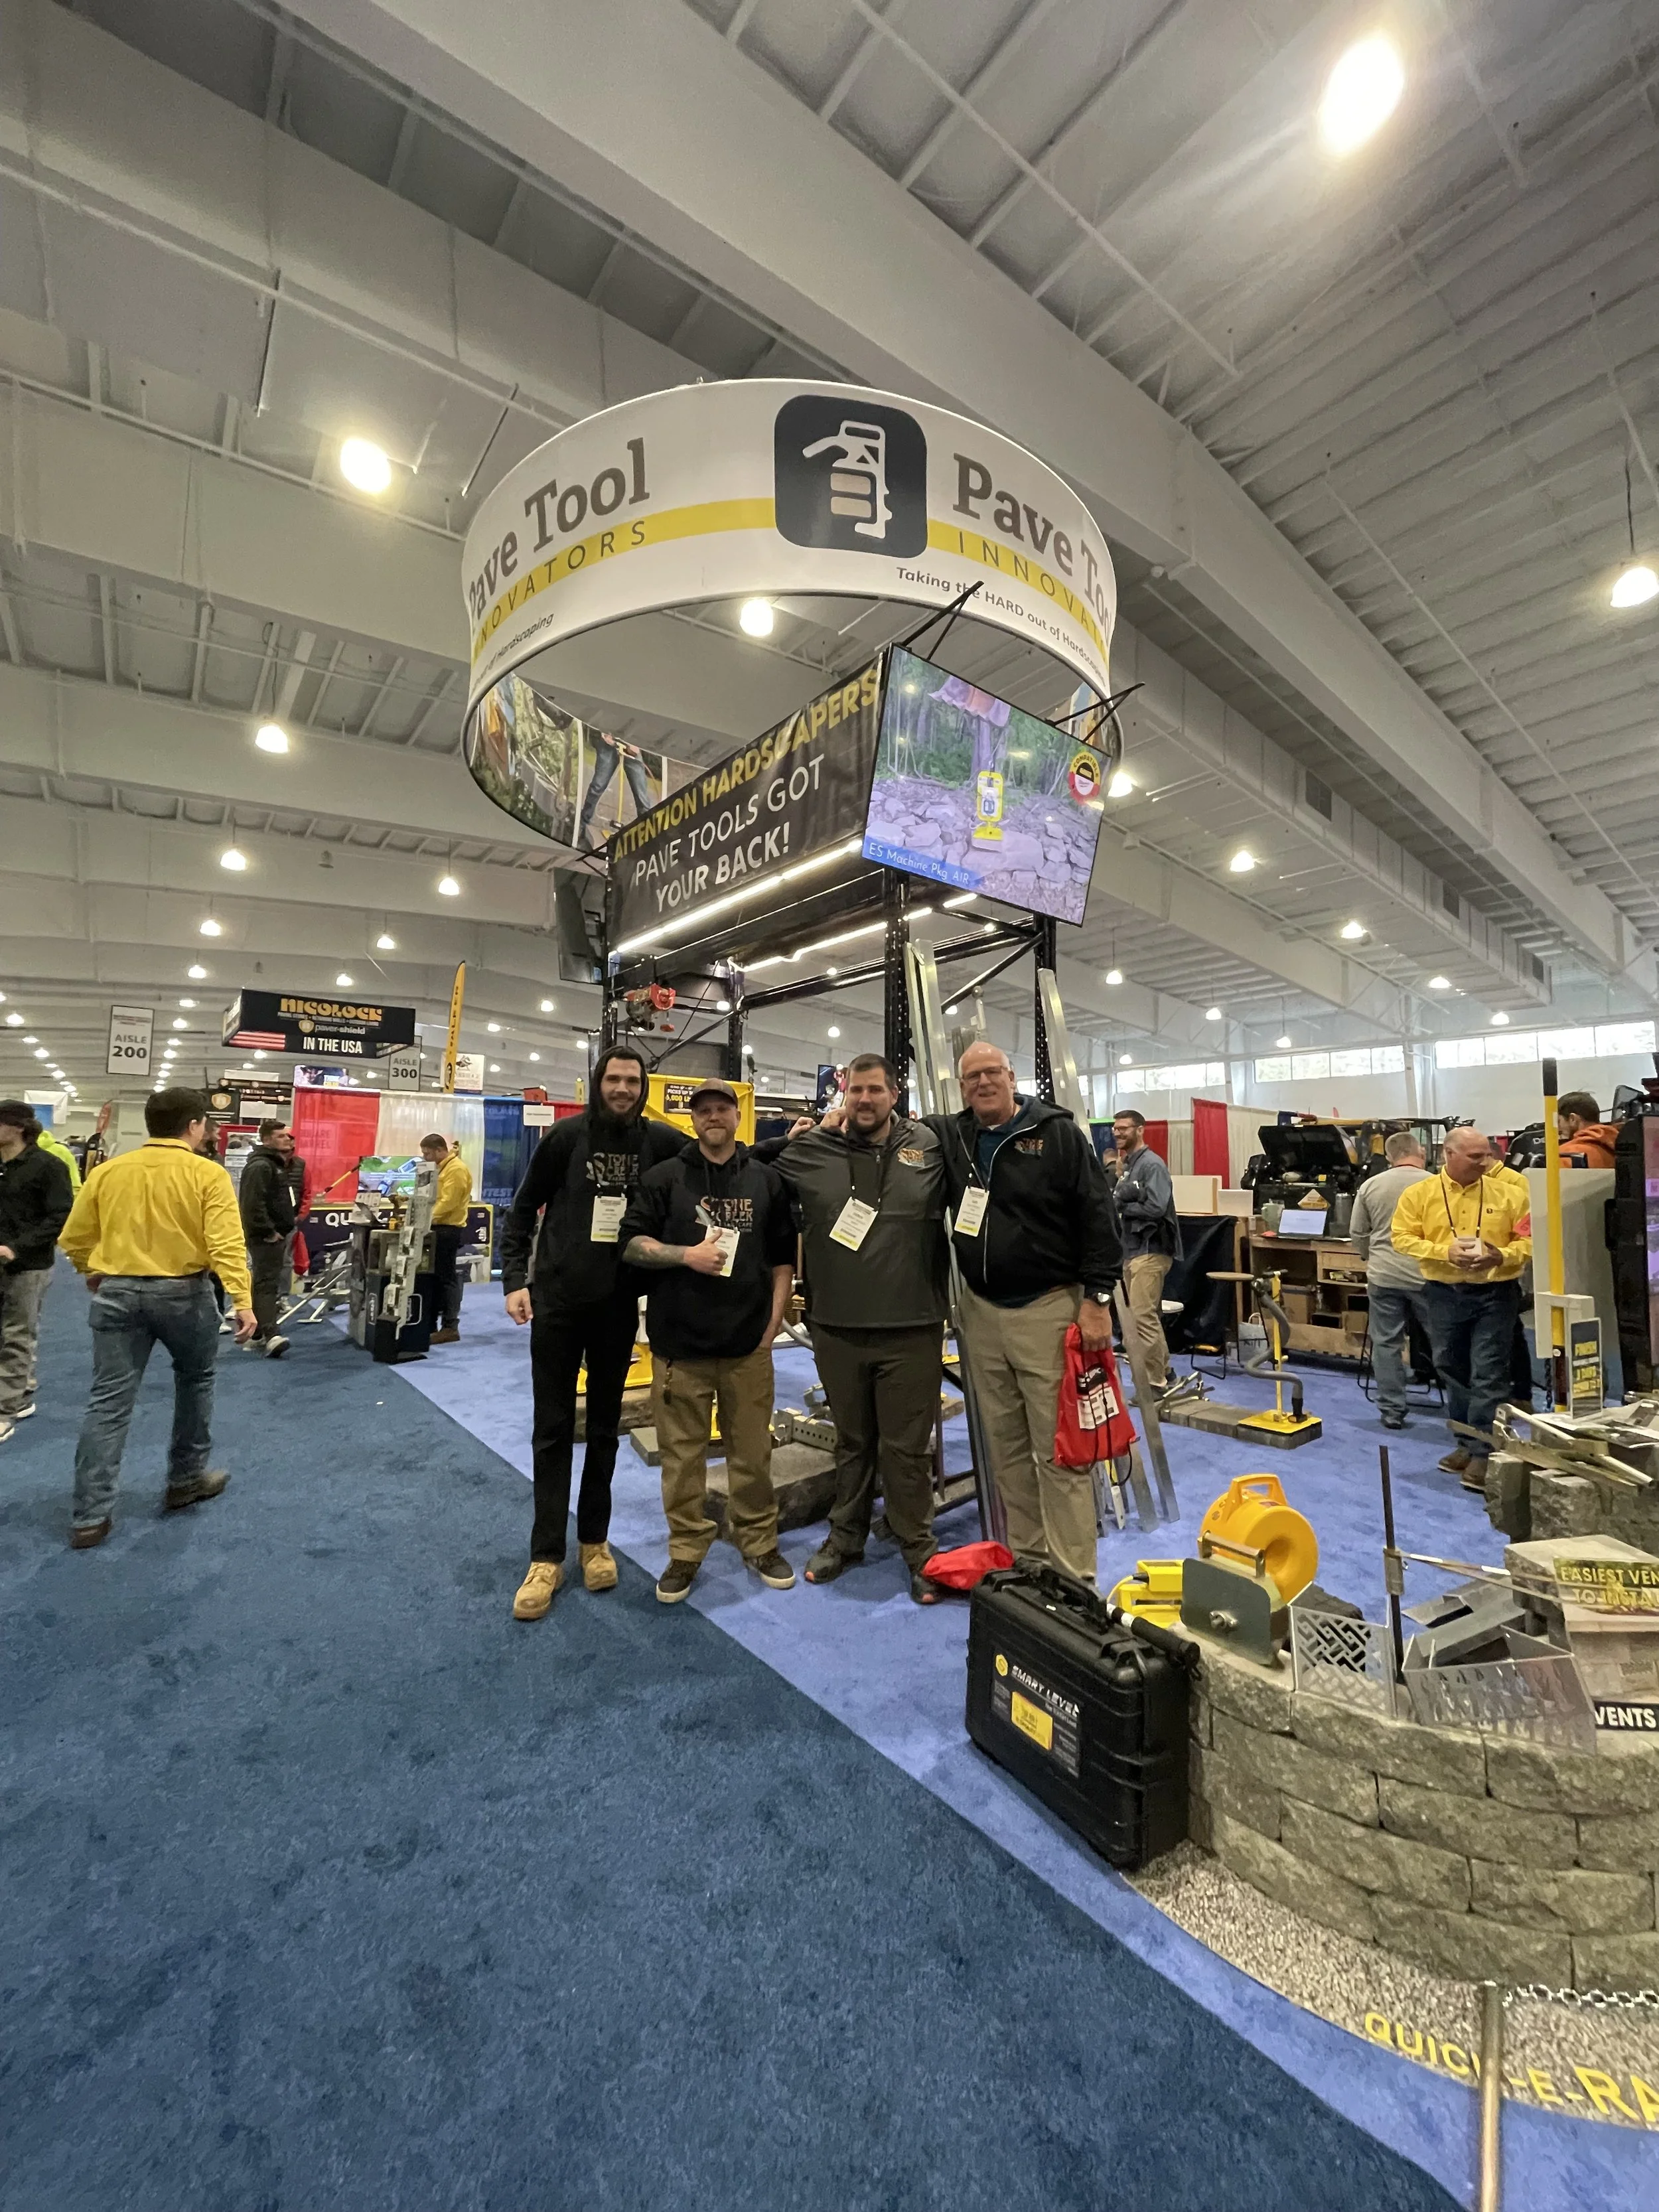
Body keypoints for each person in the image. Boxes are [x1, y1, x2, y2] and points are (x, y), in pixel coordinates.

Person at [500, 1043, 686, 1619]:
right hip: (557, 1304)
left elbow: (721, 1153)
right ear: (598, 1082)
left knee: (605, 1429)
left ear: (643, 1088)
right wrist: (514, 1279)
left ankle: (594, 1542)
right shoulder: (565, 1138)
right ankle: (546, 1557)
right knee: (553, 1429)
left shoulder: (659, 1142)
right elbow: (522, 1208)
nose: (623, 1089)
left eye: (633, 1080)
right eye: (614, 1079)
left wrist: (802, 1136)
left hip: (616, 1307)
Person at [931, 1043, 1120, 1586]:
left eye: (992, 1072)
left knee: (1061, 1452)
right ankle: (1031, 1565)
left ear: (1012, 1077)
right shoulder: (955, 1136)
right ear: (962, 1087)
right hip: (981, 1313)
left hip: (1048, 1310)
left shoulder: (1058, 1134)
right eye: (972, 1076)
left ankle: (1075, 1580)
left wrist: (1097, 1299)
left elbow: (1099, 1217)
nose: (983, 1082)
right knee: (1007, 1450)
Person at [770, 1053, 948, 1603]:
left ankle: (918, 1546)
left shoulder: (932, 1146)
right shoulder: (810, 1150)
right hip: (837, 1327)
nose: (865, 1099)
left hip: (913, 1326)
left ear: (895, 1094)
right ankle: (845, 1537)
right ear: (843, 1096)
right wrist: (788, 1138)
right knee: (853, 1443)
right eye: (856, 1091)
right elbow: (748, 1173)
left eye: (876, 1089)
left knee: (907, 1449)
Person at [620, 1078, 797, 1603]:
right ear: (693, 1119)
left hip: (748, 1348)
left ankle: (759, 1541)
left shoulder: (767, 1181)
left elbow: (783, 1260)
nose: (713, 1116)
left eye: (723, 1108)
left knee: (753, 1453)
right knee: (682, 1459)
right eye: (704, 1110)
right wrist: (685, 1255)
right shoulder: (664, 1178)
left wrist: (772, 1326)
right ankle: (686, 1549)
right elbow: (631, 1243)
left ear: (736, 1117)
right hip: (680, 1349)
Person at [58, 1085, 256, 1548]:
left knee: (108, 1402)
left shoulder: (108, 1172)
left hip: (118, 1292)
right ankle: (186, 1480)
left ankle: (90, 1516)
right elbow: (225, 1244)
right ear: (194, 1125)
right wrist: (242, 1300)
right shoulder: (207, 1174)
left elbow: (75, 1237)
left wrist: (92, 1271)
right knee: (196, 1381)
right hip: (184, 1294)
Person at [1392, 1126, 1531, 1492]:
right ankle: (1467, 1442)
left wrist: (1500, 1255)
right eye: (1475, 1157)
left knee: (1488, 1369)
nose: (1486, 1162)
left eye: (1487, 1155)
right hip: (1442, 1293)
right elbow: (1402, 1237)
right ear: (1448, 1155)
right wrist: (1445, 1252)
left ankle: (1485, 1450)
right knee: (1450, 1366)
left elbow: (1530, 1240)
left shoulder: (1512, 1193)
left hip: (1496, 1294)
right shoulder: (1419, 1194)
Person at [0, 1101, 75, 1439]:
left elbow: (59, 1216)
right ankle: (23, 1390)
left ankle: (5, 1411)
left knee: (17, 1335)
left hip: (29, 1265)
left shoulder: (48, 1166)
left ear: (18, 1127)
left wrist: (16, 1248)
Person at [1349, 1132, 1431, 1431]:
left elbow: (1358, 1232)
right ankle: (1464, 1409)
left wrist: (1370, 1256)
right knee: (1446, 1340)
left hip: (1384, 1275)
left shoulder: (1371, 1185)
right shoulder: (1436, 1184)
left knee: (1386, 1344)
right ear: (1420, 1152)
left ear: (1389, 1157)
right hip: (1428, 1276)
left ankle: (1392, 1411)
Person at [1110, 1109, 1182, 1396]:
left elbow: (1156, 1207)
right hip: (1133, 1249)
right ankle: (1166, 1372)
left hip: (1151, 1249)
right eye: (1115, 1128)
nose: (1118, 1133)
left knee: (1142, 1317)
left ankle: (1155, 1384)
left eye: (1124, 1128)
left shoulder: (1152, 1165)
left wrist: (1123, 1204)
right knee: (1142, 1316)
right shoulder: (1129, 1164)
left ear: (1140, 1130)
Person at [238, 1118, 297, 1359]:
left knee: (265, 1283)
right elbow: (252, 1204)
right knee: (266, 1285)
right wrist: (268, 1232)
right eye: (281, 1136)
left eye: (288, 1136)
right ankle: (271, 1335)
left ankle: (257, 1334)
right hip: (266, 1238)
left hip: (274, 1235)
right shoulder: (262, 1166)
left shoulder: (274, 1164)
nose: (288, 1139)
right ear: (266, 1140)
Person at [421, 1133, 474, 1345]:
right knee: (435, 1278)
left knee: (447, 1278)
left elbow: (448, 1203)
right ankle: (431, 1325)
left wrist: (424, 1218)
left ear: (439, 1150)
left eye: (427, 1153)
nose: (425, 1157)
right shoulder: (442, 1168)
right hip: (437, 1228)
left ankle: (451, 1327)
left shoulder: (456, 1169)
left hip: (448, 1230)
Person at [1557, 1091, 1619, 1171]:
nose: (1558, 1129)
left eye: (1559, 1121)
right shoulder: (1616, 1147)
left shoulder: (1565, 1154)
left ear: (1573, 1119)